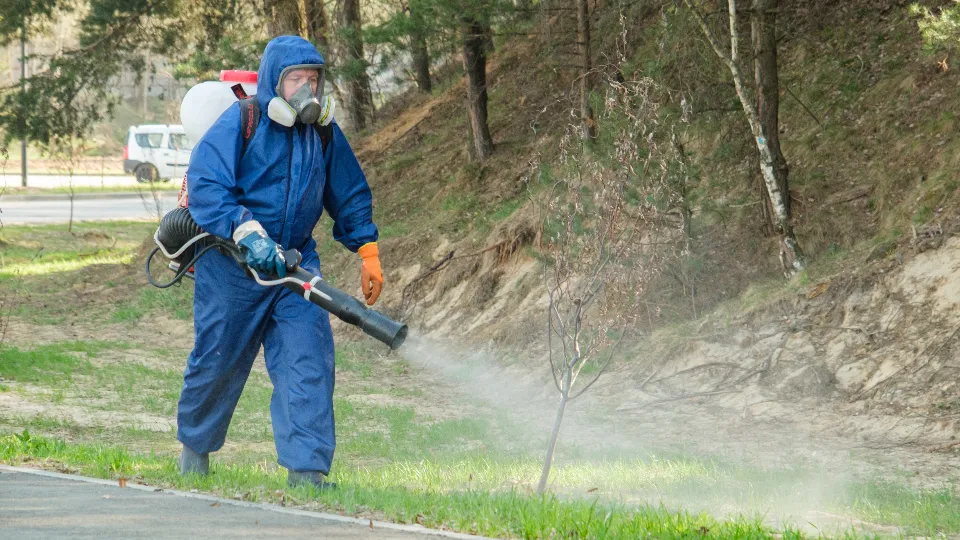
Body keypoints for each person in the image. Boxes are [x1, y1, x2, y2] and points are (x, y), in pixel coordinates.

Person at [175, 35, 384, 489]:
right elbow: (206, 183)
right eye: (296, 78)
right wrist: (245, 230)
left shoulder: (323, 132)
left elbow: (348, 191)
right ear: (275, 81)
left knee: (306, 358)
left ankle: (306, 472)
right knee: (218, 360)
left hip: (294, 264)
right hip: (232, 264)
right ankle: (195, 453)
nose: (306, 87)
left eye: (314, 78)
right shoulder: (243, 120)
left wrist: (367, 249)